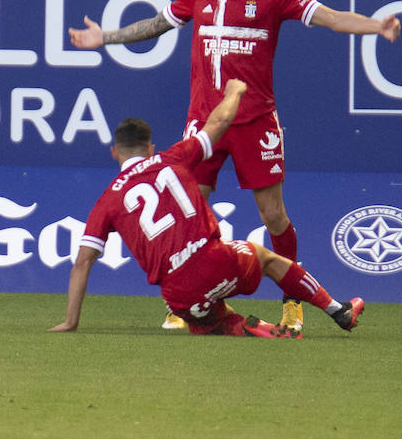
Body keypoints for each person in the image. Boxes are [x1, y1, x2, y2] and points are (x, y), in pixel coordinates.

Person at [69, 0, 400, 332]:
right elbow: (156, 24)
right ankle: (189, 303)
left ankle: (292, 301)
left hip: (255, 122)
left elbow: (330, 18)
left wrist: (376, 26)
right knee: (190, 207)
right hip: (204, 124)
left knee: (273, 215)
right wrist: (106, 38)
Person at [48, 79, 365, 337]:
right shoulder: (172, 157)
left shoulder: (108, 199)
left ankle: (247, 327)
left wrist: (71, 321)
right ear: (151, 148)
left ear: (114, 152)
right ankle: (339, 311)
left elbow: (82, 263)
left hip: (177, 295)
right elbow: (220, 121)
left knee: (211, 318)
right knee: (266, 258)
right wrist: (235, 92)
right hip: (214, 262)